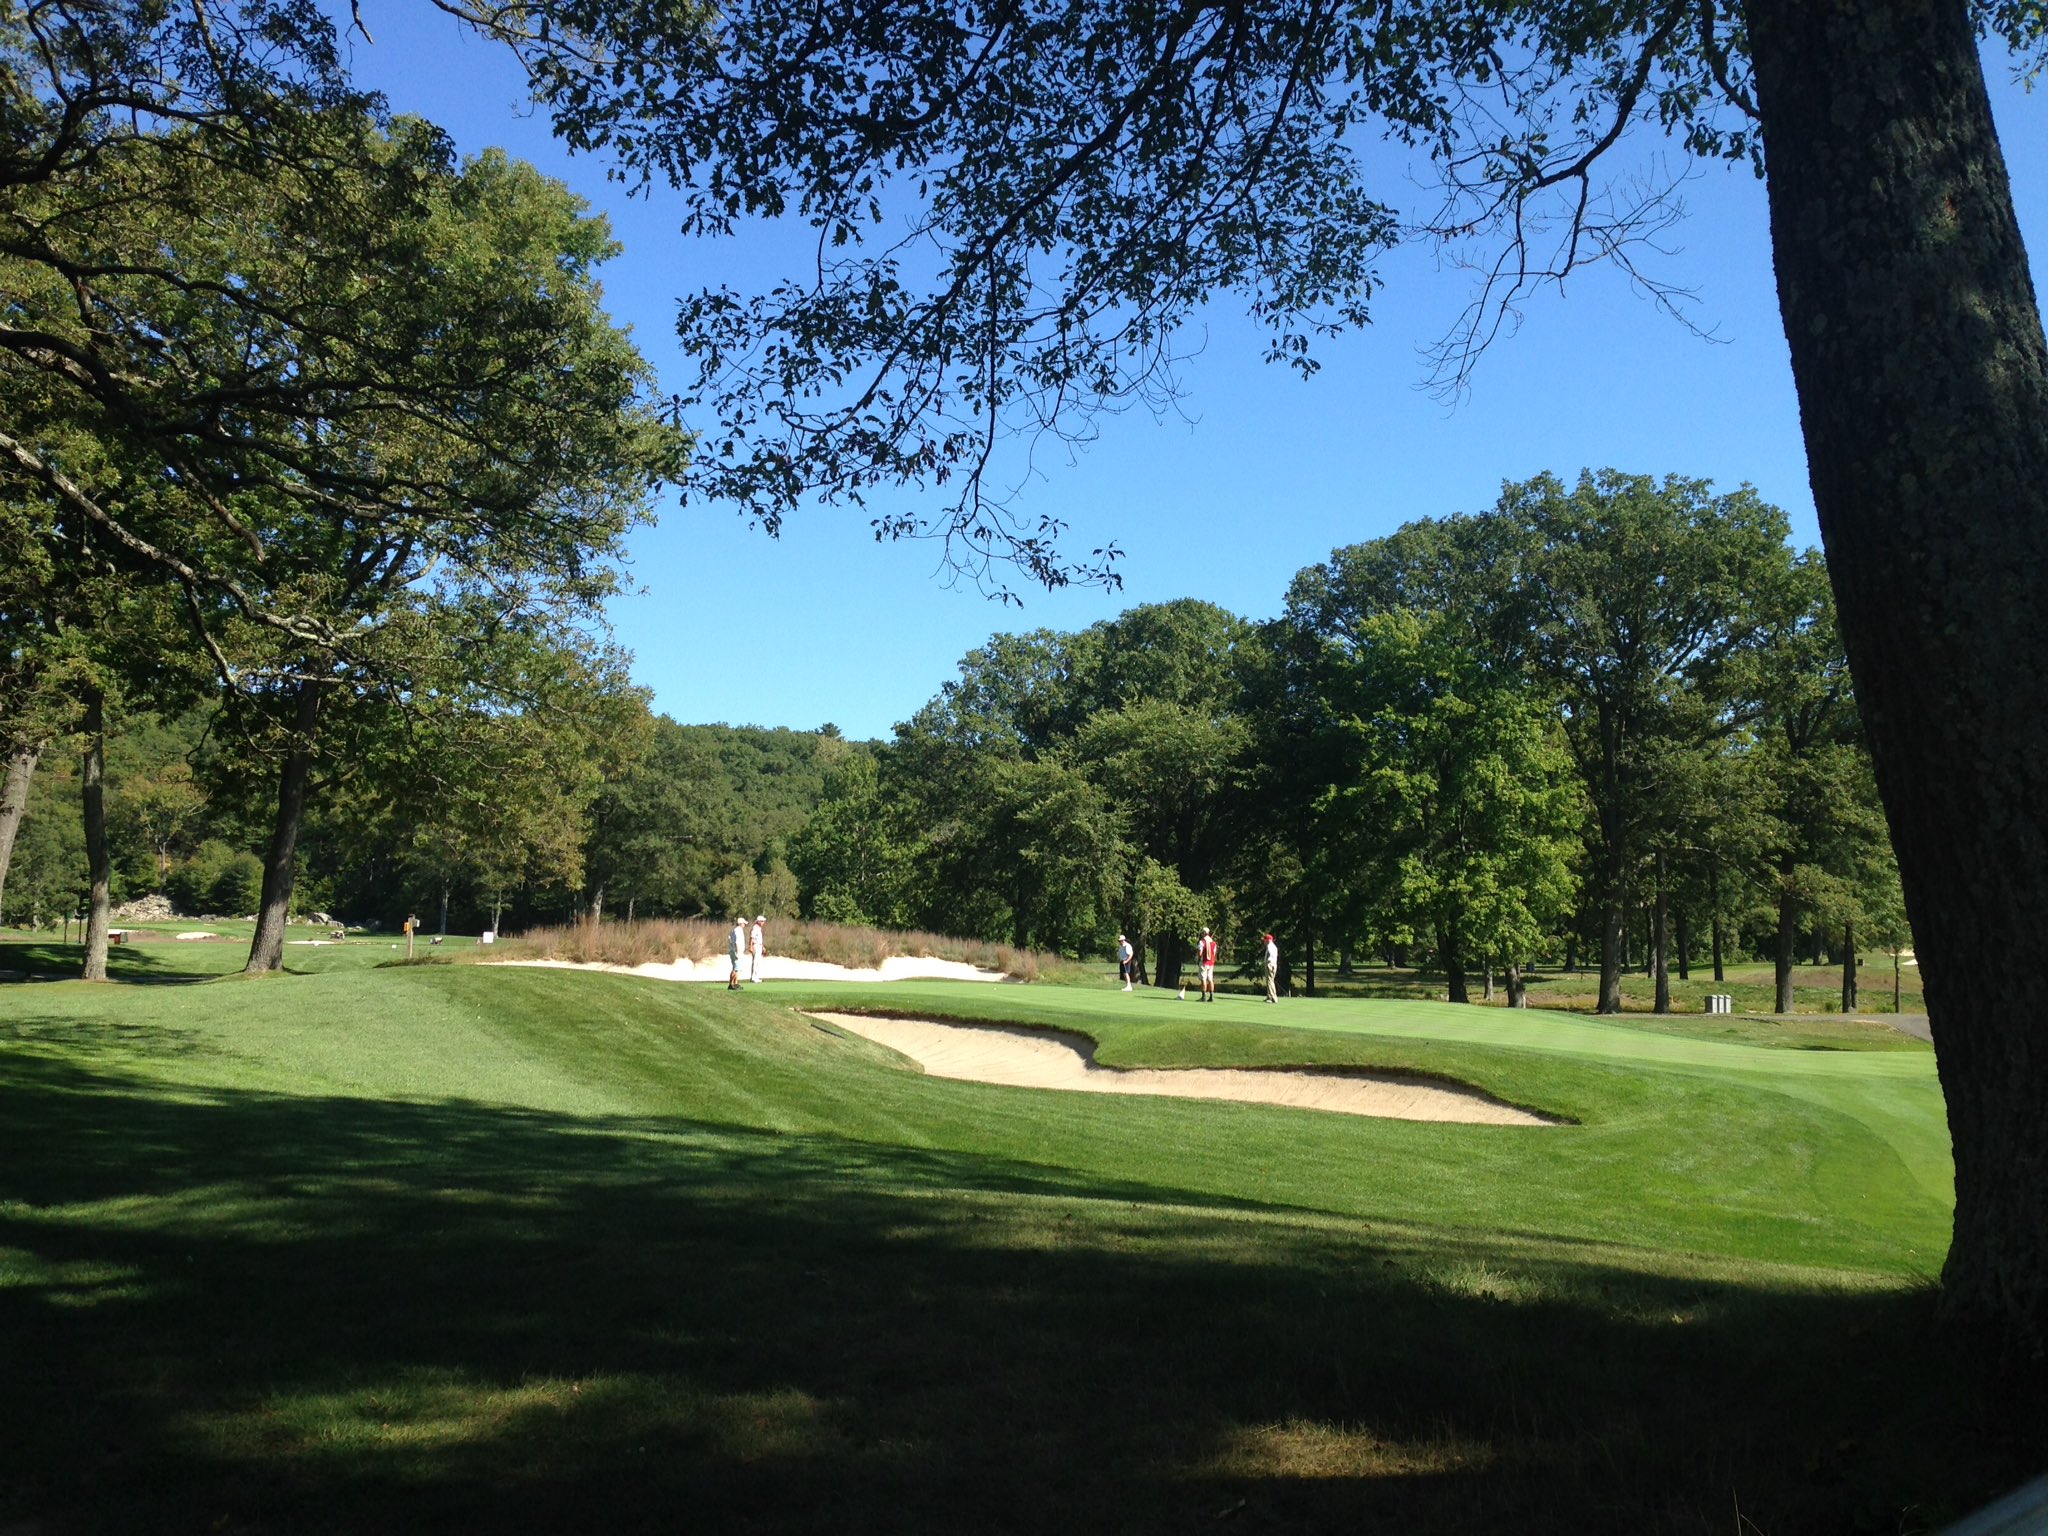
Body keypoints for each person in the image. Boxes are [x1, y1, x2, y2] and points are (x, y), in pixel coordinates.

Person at [1196, 926, 1219, 1002]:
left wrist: (1198, 959)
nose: (1201, 934)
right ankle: (1211, 996)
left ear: (1204, 933)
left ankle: (1204, 997)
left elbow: (1199, 953)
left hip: (1204, 962)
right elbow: (1214, 953)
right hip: (1211, 963)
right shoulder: (1213, 943)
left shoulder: (1202, 942)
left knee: (1203, 979)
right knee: (1210, 979)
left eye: (1202, 933)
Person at [727, 917, 746, 990]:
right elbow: (737, 942)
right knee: (736, 969)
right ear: (741, 924)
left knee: (736, 968)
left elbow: (729, 939)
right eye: (744, 923)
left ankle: (735, 983)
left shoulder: (734, 930)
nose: (744, 924)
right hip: (737, 951)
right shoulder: (738, 931)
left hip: (733, 951)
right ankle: (732, 984)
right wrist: (738, 952)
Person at [749, 914, 766, 983]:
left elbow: (759, 939)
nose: (763, 922)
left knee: (757, 962)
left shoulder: (759, 928)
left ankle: (756, 976)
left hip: (759, 945)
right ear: (758, 921)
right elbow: (752, 938)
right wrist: (751, 946)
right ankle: (753, 977)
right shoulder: (755, 928)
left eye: (763, 921)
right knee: (755, 962)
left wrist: (762, 946)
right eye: (762, 921)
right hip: (755, 945)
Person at [1263, 932, 1280, 1003]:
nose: (1264, 941)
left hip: (1269, 964)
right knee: (1271, 980)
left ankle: (1272, 998)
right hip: (1274, 964)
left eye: (1265, 939)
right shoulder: (1274, 947)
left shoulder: (1269, 946)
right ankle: (1269, 996)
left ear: (1268, 940)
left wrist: (1266, 960)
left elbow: (1269, 954)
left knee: (1269, 981)